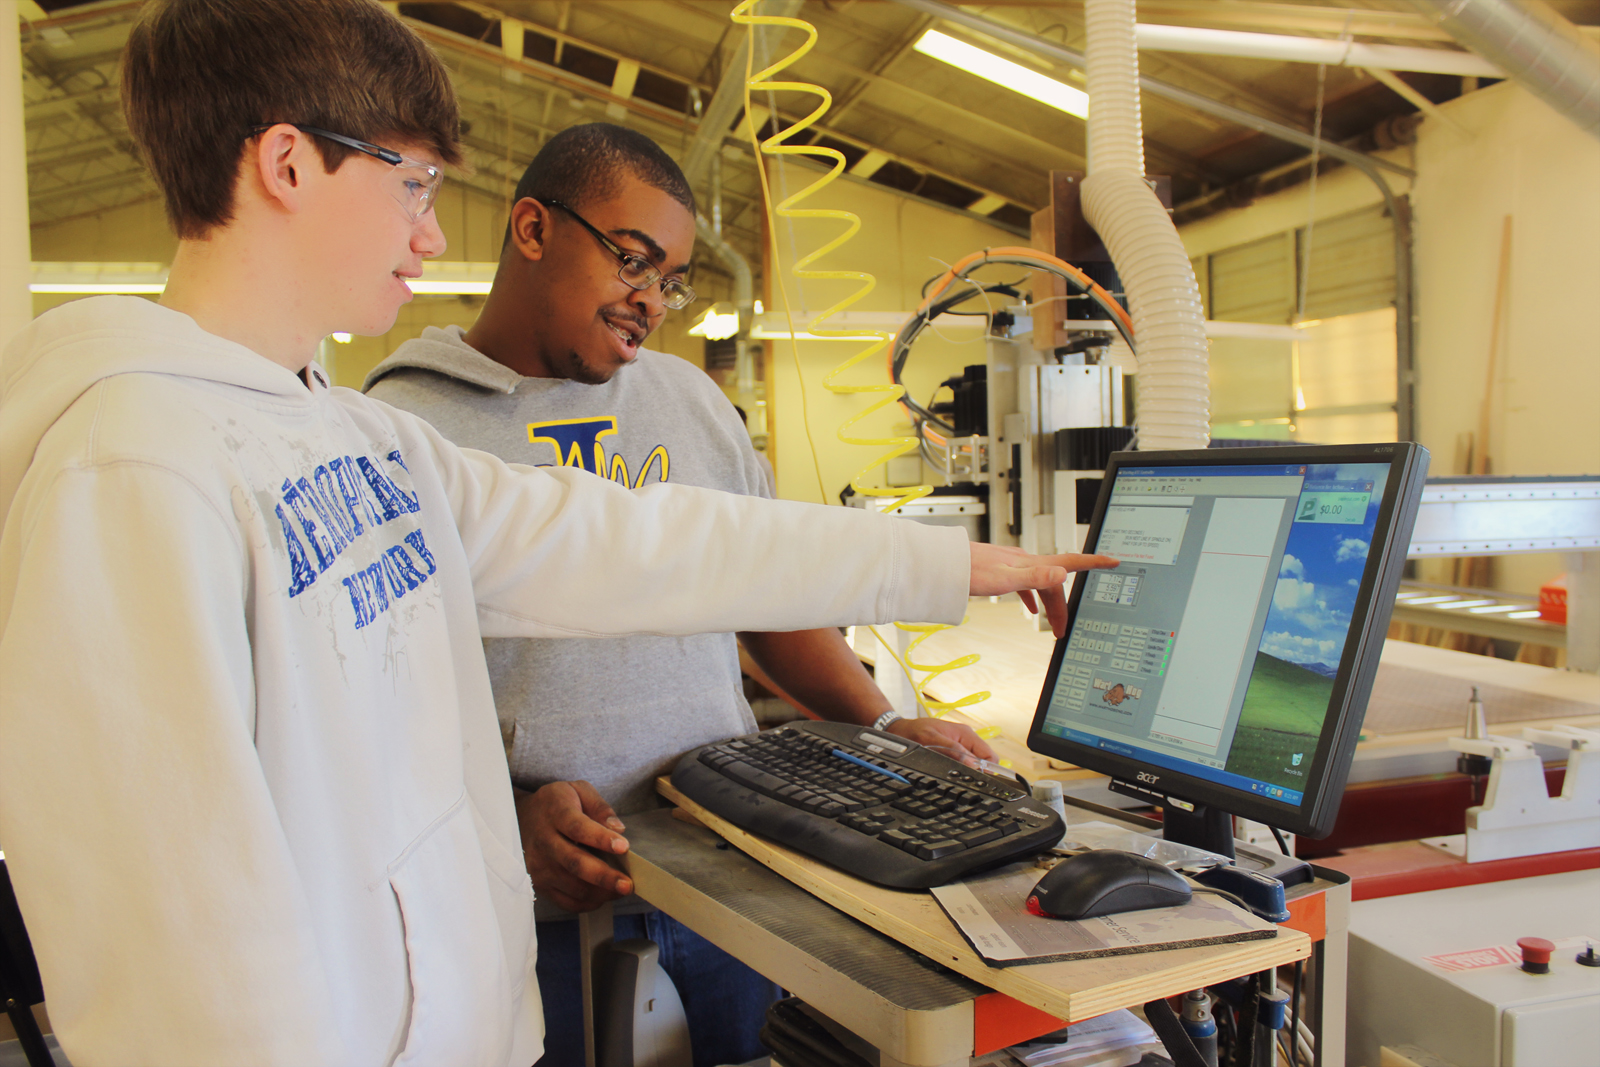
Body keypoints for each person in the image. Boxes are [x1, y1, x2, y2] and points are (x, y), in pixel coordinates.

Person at [0, 3, 1117, 1066]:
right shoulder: (130, 467)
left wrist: (952, 562)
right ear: (287, 164)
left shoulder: (353, 438)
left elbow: (636, 542)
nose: (432, 230)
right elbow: (180, 952)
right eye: (415, 183)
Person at [364, 122, 1011, 1066]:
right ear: (533, 229)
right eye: (632, 260)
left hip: (731, 876)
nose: (652, 301)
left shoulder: (690, 402)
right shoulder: (409, 429)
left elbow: (769, 598)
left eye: (670, 279)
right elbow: (383, 705)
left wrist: (878, 722)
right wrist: (505, 815)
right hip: (536, 908)